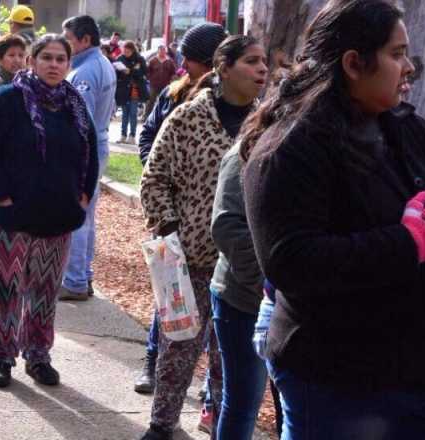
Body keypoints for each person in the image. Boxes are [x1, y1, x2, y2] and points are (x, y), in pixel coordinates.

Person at [242, 0, 425, 437]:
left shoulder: (406, 128)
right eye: (396, 55)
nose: (408, 69)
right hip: (337, 381)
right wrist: (411, 240)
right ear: (354, 64)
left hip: (418, 371)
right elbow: (291, 261)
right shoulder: (288, 150)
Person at [138, 34, 268, 440]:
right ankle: (162, 423)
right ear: (223, 68)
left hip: (243, 267)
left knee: (228, 359)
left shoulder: (269, 124)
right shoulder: (187, 118)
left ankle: (218, 421)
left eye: (264, 62)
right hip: (189, 259)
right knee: (177, 348)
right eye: (251, 61)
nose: (262, 69)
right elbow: (154, 178)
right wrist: (171, 229)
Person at [0, 34, 99, 388]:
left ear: (68, 64)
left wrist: (83, 197)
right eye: (47, 57)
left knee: (44, 294)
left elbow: (91, 153)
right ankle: (2, 356)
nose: (54, 64)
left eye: (61, 59)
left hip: (56, 217)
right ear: (32, 60)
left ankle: (38, 355)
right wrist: (2, 199)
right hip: (9, 218)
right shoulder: (7, 100)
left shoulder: (75, 105)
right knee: (5, 290)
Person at [133, 22, 227, 397]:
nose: (183, 67)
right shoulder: (174, 97)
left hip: (218, 231)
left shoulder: (238, 105)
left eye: (190, 60)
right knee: (170, 303)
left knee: (217, 320)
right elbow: (148, 136)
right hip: (173, 223)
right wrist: (154, 171)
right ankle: (153, 363)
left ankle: (210, 389)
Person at [58, 15, 117, 301]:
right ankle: (84, 276)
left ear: (85, 40)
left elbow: (81, 122)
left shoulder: (83, 73)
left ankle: (75, 280)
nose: (64, 44)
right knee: (87, 217)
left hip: (85, 150)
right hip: (98, 145)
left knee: (77, 217)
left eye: (68, 38)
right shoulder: (102, 63)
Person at [113, 40, 148, 144]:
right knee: (124, 113)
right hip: (123, 90)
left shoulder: (139, 59)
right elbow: (116, 74)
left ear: (133, 50)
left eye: (128, 50)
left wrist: (131, 71)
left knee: (133, 113)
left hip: (135, 89)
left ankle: (132, 136)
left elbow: (144, 72)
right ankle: (123, 135)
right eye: (124, 50)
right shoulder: (120, 58)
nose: (126, 52)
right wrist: (123, 72)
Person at [145, 45, 177, 121]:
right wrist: (150, 78)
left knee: (164, 101)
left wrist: (173, 80)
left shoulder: (169, 61)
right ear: (158, 51)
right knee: (150, 101)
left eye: (163, 50)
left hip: (165, 85)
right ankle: (146, 116)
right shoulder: (152, 60)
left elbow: (173, 72)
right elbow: (147, 71)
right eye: (160, 50)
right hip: (154, 85)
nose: (162, 52)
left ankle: (162, 117)